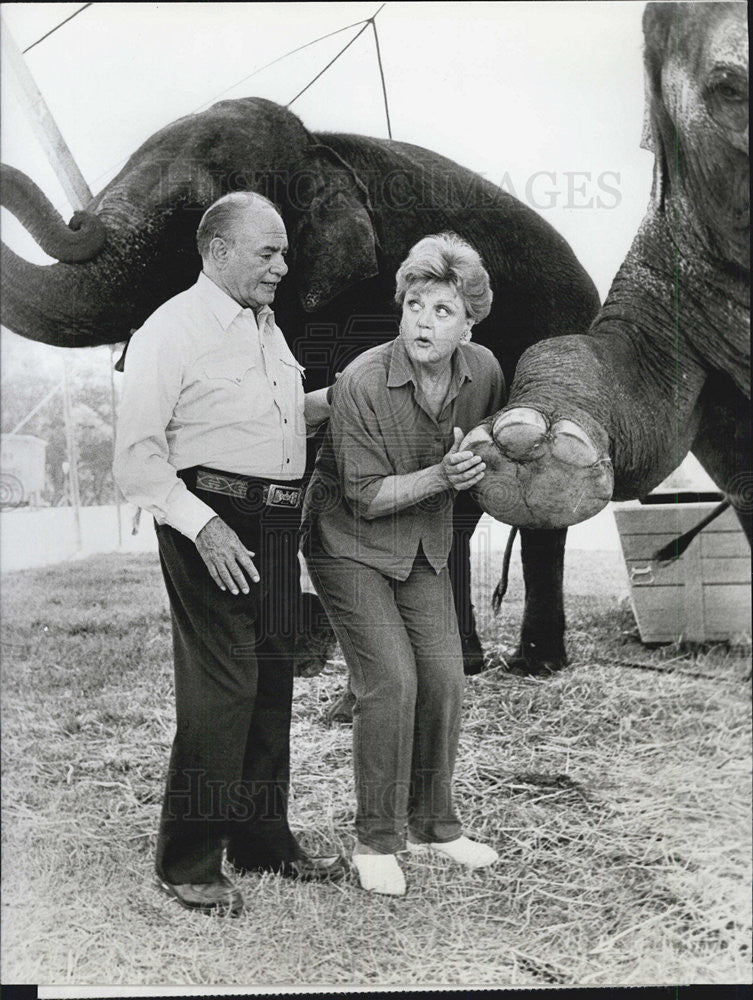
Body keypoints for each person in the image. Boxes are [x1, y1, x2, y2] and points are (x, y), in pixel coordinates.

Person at [113, 191, 347, 917]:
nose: (283, 264)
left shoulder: (264, 326)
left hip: (274, 520)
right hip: (209, 521)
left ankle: (260, 840)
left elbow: (275, 419)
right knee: (225, 688)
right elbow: (137, 457)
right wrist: (203, 527)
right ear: (217, 252)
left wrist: (349, 394)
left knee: (272, 681)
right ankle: (187, 862)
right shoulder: (169, 330)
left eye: (283, 252)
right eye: (267, 251)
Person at [302, 232, 505, 896]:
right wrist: (445, 476)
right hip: (347, 542)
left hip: (423, 546)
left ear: (468, 321)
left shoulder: (483, 373)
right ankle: (376, 841)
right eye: (414, 303)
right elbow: (362, 497)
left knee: (444, 679)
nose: (423, 319)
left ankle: (436, 827)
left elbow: (491, 451)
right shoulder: (362, 380)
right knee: (390, 683)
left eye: (442, 310)